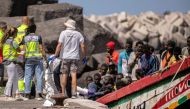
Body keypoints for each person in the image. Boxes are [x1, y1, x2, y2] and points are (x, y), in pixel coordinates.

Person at [54, 19, 86, 98]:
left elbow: (59, 45)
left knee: (64, 75)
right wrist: (84, 56)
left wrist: (55, 55)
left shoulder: (63, 33)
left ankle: (63, 93)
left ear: (67, 25)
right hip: (74, 58)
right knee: (74, 75)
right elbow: (83, 46)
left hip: (65, 57)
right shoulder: (78, 34)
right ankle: (74, 94)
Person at [22, 24, 47, 100]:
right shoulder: (38, 37)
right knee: (39, 76)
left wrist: (23, 60)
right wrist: (45, 58)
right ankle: (39, 94)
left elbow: (24, 50)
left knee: (28, 76)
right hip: (38, 58)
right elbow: (41, 49)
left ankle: (27, 94)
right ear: (35, 29)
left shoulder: (25, 38)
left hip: (28, 58)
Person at [14, 16, 30, 94]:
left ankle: (21, 91)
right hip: (27, 54)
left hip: (19, 54)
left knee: (20, 74)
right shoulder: (29, 30)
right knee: (28, 73)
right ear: (28, 21)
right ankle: (28, 91)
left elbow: (15, 43)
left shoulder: (17, 30)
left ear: (21, 21)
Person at [2, 27, 19, 100]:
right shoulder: (13, 41)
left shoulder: (6, 41)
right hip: (11, 61)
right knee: (11, 78)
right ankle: (7, 95)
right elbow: (18, 49)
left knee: (15, 78)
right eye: (16, 33)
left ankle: (16, 94)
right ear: (14, 33)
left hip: (7, 61)